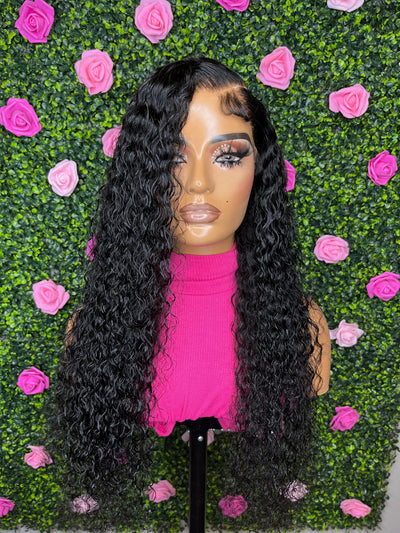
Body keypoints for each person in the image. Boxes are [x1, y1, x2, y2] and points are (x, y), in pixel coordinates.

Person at [52, 57, 331, 528]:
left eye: (229, 156)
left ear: (259, 170)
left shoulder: (301, 331)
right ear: (142, 174)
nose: (199, 183)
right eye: (173, 156)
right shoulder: (99, 332)